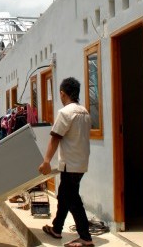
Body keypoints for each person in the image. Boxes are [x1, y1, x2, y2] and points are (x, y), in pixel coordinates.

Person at [38, 77, 94, 247]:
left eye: (60, 94)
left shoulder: (65, 113)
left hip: (70, 164)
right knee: (64, 195)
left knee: (72, 199)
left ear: (63, 93)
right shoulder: (84, 112)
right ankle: (56, 228)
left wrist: (46, 161)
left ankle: (85, 237)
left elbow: (55, 138)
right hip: (81, 163)